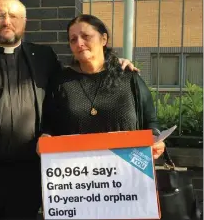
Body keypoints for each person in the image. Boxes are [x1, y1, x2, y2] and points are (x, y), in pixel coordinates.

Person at [0, 0, 137, 220]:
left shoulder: (43, 56)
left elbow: (76, 81)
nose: (6, 22)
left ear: (24, 22)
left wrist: (114, 64)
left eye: (14, 16)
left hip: (27, 177)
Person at [42, 14, 165, 159]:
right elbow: (49, 125)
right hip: (78, 173)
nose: (79, 43)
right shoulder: (61, 83)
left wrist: (157, 141)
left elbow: (151, 121)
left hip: (127, 172)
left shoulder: (128, 77)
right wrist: (45, 138)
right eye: (73, 39)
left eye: (86, 36)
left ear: (104, 39)